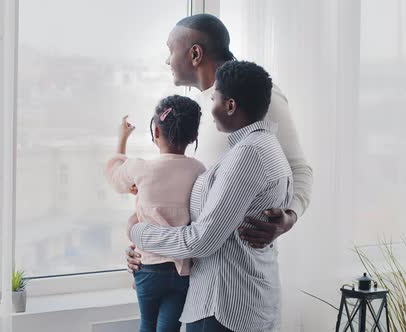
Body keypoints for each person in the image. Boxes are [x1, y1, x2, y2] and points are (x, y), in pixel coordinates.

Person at [126, 13, 313, 271]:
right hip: (191, 270)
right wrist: (147, 246)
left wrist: (289, 216)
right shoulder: (195, 109)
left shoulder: (256, 99)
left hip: (237, 274)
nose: (167, 59)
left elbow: (299, 169)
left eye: (171, 50)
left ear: (195, 54)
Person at [129, 60, 291, 331]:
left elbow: (201, 240)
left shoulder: (248, 155)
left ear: (230, 106)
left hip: (223, 305)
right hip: (245, 299)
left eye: (214, 97)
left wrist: (139, 232)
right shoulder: (265, 147)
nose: (210, 107)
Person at [106, 95, 206, 332]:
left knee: (147, 325)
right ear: (193, 136)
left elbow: (115, 176)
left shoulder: (140, 168)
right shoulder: (198, 169)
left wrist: (122, 139)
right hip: (182, 270)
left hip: (148, 267)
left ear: (157, 133)